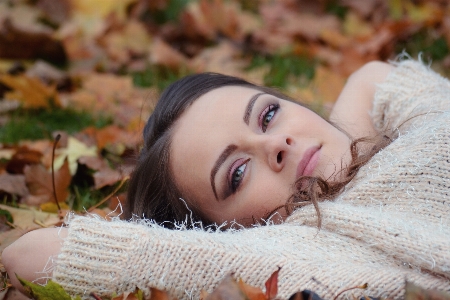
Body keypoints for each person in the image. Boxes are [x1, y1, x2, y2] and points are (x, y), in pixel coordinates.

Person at [2, 57, 450, 300]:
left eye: (268, 114)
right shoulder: (296, 252)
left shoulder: (413, 127)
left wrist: (352, 144)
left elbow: (372, 77)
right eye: (236, 174)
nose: (277, 144)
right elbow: (30, 255)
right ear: (224, 234)